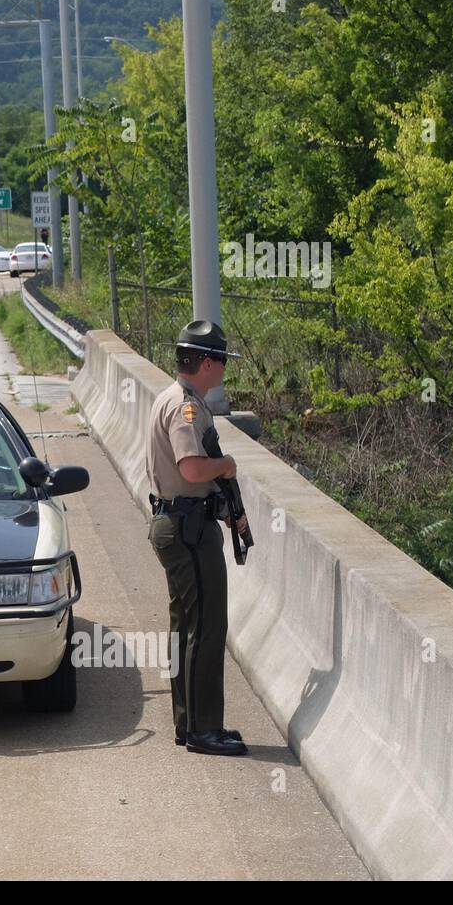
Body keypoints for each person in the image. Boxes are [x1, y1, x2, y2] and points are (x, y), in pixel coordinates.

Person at [145, 320, 251, 756]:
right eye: (222, 360)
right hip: (188, 529)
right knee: (207, 628)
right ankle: (204, 730)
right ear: (207, 363)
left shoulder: (173, 399)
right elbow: (192, 469)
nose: (224, 369)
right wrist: (226, 465)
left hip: (178, 524)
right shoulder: (187, 408)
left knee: (185, 626)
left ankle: (188, 723)